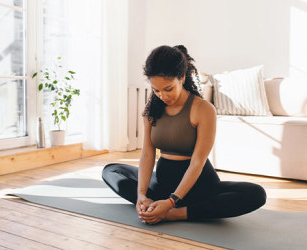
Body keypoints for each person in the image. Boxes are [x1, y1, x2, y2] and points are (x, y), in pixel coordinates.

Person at [102, 45, 266, 224]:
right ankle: (152, 205)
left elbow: (198, 162)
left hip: (199, 187)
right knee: (111, 171)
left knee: (256, 193)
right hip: (162, 185)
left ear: (181, 77)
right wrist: (141, 194)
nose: (162, 96)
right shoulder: (151, 111)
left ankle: (174, 212)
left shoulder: (203, 109)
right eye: (156, 90)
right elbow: (147, 154)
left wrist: (172, 202)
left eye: (168, 88)